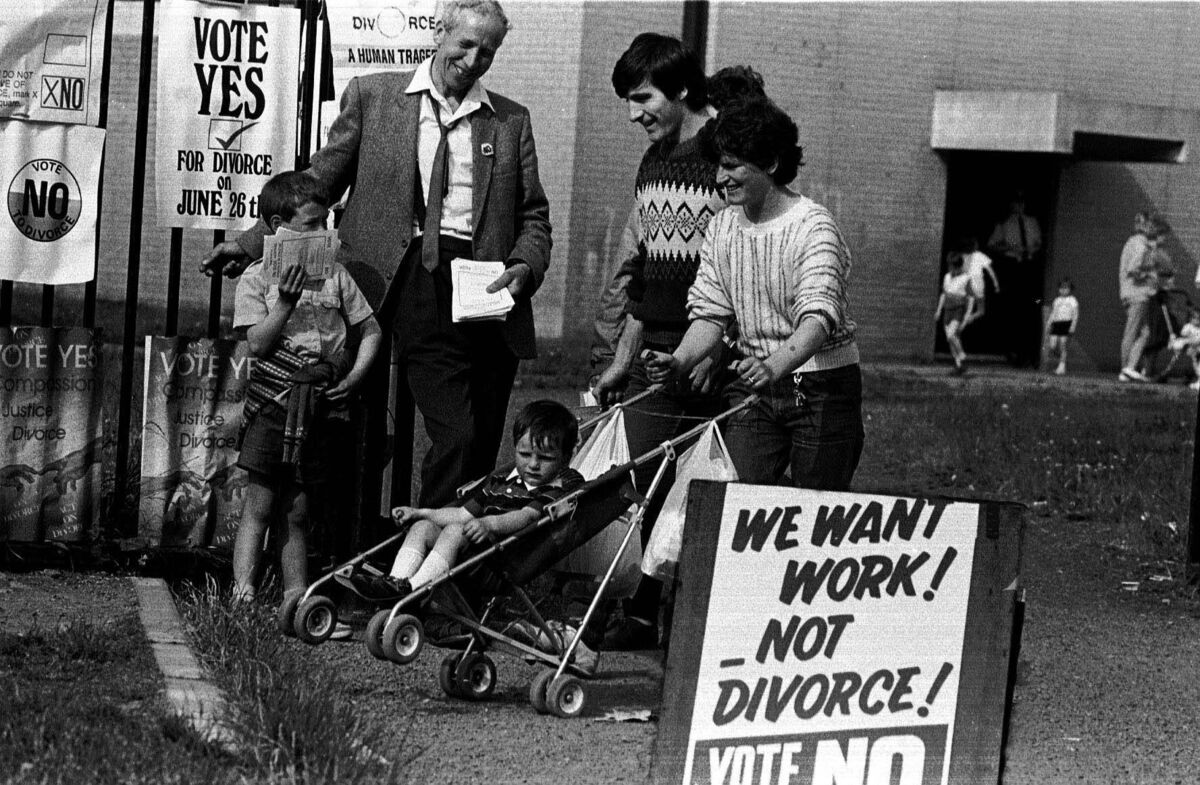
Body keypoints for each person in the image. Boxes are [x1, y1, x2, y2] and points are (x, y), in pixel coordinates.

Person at [201, 0, 551, 508]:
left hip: (476, 283)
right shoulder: (374, 95)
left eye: (488, 52)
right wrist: (251, 242)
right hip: (383, 273)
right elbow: (320, 178)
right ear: (438, 33)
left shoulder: (510, 121)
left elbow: (533, 215)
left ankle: (433, 548)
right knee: (353, 424)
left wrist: (524, 265)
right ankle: (346, 546)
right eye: (466, 45)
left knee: (466, 431)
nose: (474, 60)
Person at [589, 41, 765, 652]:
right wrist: (619, 359)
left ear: (682, 90)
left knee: (710, 491)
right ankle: (642, 609)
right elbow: (647, 279)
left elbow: (751, 262)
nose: (633, 113)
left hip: (721, 350)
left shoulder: (728, 154)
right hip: (656, 351)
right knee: (645, 480)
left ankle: (697, 627)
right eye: (628, 102)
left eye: (642, 98)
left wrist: (721, 346)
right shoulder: (652, 163)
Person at [645, 96, 864, 490]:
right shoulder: (723, 227)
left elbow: (817, 321)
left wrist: (773, 366)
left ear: (772, 164)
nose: (719, 178)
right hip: (756, 386)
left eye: (731, 166)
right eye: (718, 166)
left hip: (821, 387)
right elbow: (710, 315)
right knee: (736, 498)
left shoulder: (814, 227)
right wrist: (677, 360)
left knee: (817, 509)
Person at [230, 171, 383, 614]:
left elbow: (370, 330)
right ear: (279, 226)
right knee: (260, 501)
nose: (323, 232)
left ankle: (296, 595)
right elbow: (256, 344)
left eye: (326, 223)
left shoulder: (336, 277)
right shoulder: (257, 279)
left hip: (318, 405)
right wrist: (285, 304)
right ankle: (243, 592)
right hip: (274, 404)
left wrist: (353, 377)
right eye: (312, 224)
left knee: (298, 507)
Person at [345, 398, 584, 600]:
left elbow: (526, 515)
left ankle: (413, 590)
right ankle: (396, 582)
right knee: (423, 527)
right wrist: (420, 512)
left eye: (545, 458)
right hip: (471, 555)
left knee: (456, 532)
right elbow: (461, 513)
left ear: (564, 459)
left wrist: (489, 523)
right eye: (524, 454)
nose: (533, 464)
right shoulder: (499, 482)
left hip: (499, 565)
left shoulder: (553, 492)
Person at [988, 192, 1044, 366]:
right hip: (1014, 266)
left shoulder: (1032, 222)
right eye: (1016, 203)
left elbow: (1039, 242)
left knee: (1032, 306)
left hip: (1029, 265)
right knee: (1015, 308)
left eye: (1022, 203)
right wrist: (1010, 248)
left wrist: (1032, 249)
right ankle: (1015, 352)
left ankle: (1030, 353)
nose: (1020, 207)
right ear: (1012, 205)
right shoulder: (1004, 224)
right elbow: (992, 244)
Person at [1118, 210, 1158, 382]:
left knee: (1144, 332)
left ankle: (1129, 367)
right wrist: (1149, 276)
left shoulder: (1131, 243)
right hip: (1138, 294)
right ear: (1145, 226)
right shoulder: (1141, 246)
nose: (1153, 228)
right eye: (1151, 225)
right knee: (1134, 332)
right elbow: (1133, 270)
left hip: (1129, 293)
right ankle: (1126, 369)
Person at [934, 251, 976, 375]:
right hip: (947, 309)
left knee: (951, 335)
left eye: (954, 267)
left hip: (958, 310)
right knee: (952, 340)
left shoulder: (966, 278)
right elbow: (944, 294)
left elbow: (971, 298)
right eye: (950, 267)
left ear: (959, 267)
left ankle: (962, 355)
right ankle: (959, 365)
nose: (952, 269)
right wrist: (938, 310)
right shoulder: (947, 277)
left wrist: (967, 316)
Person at [958, 236, 998, 325]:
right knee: (981, 311)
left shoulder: (961, 256)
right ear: (975, 245)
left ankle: (964, 320)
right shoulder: (979, 255)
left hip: (966, 285)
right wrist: (996, 284)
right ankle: (969, 319)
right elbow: (990, 271)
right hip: (977, 285)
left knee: (967, 307)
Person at [1045, 278, 1080, 376]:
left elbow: (1075, 315)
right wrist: (1049, 323)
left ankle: (1062, 366)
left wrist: (1072, 327)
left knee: (1063, 345)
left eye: (1066, 288)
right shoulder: (1057, 300)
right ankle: (1061, 359)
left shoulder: (1073, 300)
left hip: (1066, 324)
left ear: (1070, 289)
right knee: (1052, 345)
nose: (1063, 290)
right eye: (1061, 288)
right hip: (1057, 324)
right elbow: (1053, 313)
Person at [1169, 308, 1200, 390]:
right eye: (1195, 318)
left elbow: (1197, 341)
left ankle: (1198, 382)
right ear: (1191, 318)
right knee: (1177, 344)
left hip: (1197, 349)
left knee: (1197, 366)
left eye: (1198, 319)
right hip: (1188, 348)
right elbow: (1183, 335)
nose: (1197, 321)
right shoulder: (1188, 326)